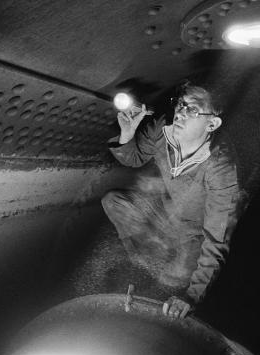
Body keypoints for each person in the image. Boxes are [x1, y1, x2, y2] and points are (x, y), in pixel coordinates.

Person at [101, 80, 240, 319]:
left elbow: (216, 239)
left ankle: (165, 276)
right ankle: (141, 262)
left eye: (192, 109)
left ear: (212, 123)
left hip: (193, 232)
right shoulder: (160, 131)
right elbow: (133, 158)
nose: (181, 113)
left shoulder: (221, 168)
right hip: (166, 213)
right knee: (113, 202)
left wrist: (191, 296)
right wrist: (126, 136)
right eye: (181, 105)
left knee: (173, 278)